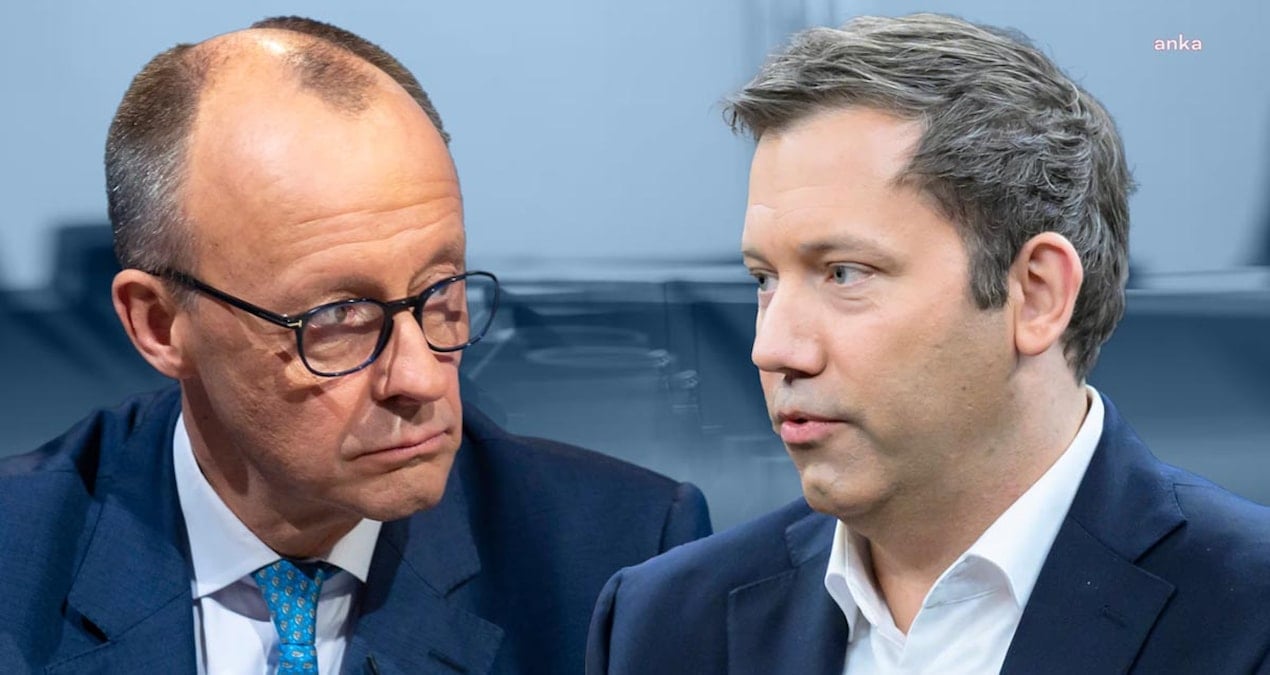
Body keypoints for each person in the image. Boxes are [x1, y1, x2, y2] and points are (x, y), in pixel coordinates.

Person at [0, 16, 711, 675]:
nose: (421, 378)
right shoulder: (17, 562)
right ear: (159, 325)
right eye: (339, 316)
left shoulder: (624, 560)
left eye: (441, 290)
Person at [587, 13, 1270, 675]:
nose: (772, 348)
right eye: (764, 279)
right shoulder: (664, 622)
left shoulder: (1248, 613)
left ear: (1037, 295)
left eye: (844, 273)